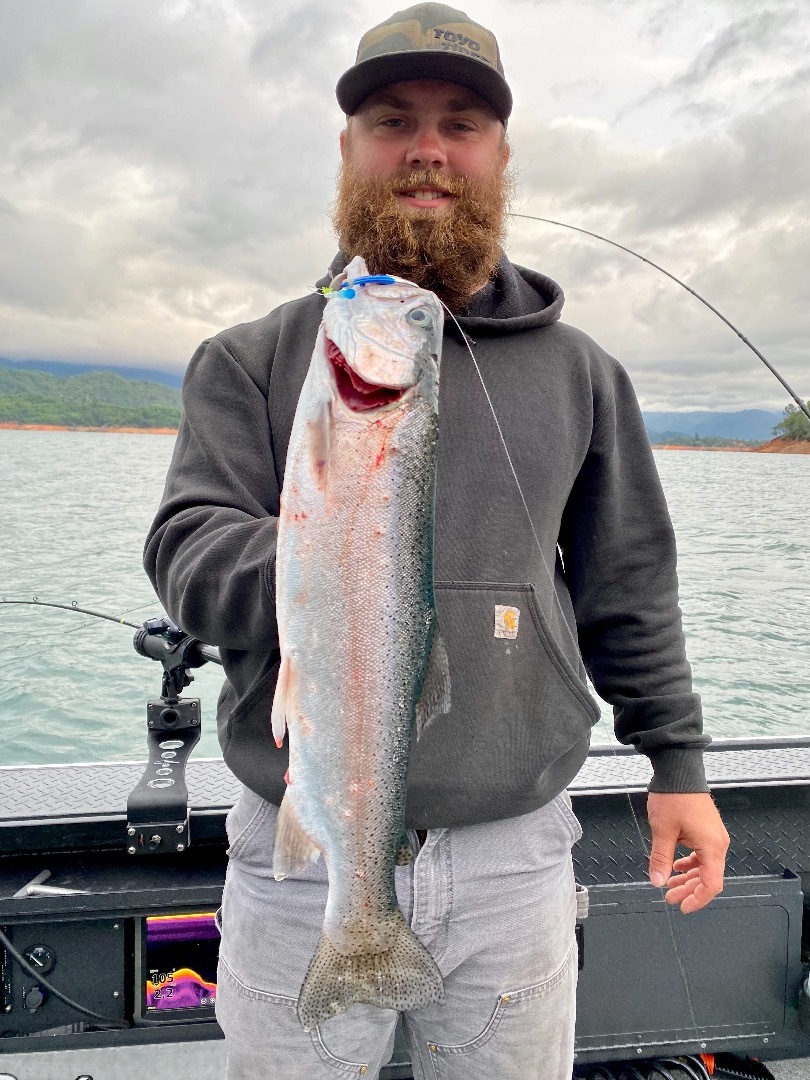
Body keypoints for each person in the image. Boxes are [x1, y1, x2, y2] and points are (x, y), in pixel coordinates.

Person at [144, 4, 730, 1077]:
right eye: (392, 120)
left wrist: (677, 761)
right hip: (299, 852)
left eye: (461, 123)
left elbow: (628, 586)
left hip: (515, 855)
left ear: (502, 154)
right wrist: (333, 560)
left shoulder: (582, 372)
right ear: (348, 149)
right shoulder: (248, 360)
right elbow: (185, 554)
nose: (426, 148)